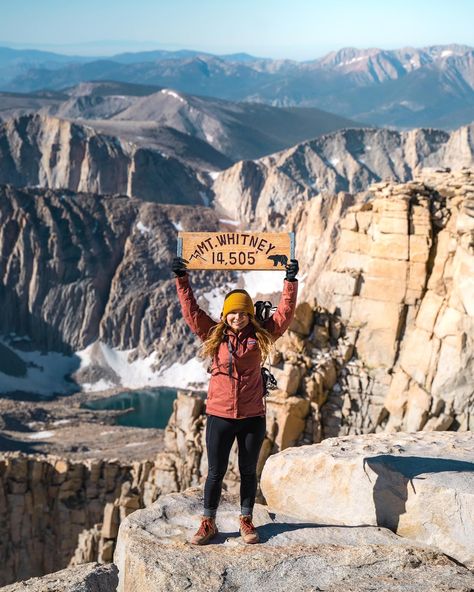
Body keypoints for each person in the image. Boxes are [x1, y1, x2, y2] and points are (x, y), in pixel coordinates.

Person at [171, 255, 299, 545]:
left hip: (252, 415)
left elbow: (284, 315)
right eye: (232, 313)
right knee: (215, 472)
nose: (237, 317)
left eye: (242, 313)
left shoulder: (261, 334)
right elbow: (191, 312)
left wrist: (290, 281)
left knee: (247, 471)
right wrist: (182, 280)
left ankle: (245, 520)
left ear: (249, 314)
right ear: (225, 315)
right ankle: (208, 522)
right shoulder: (213, 334)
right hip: (220, 415)